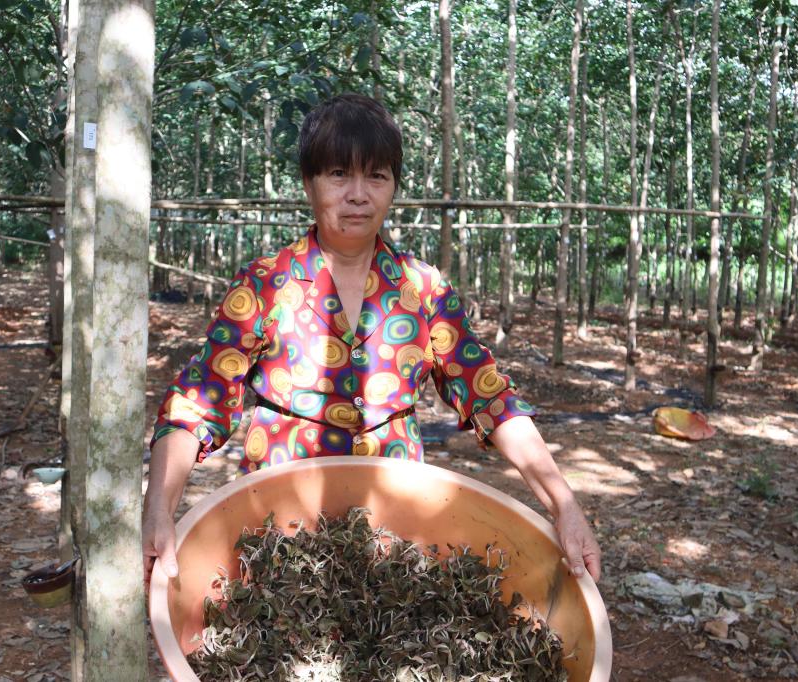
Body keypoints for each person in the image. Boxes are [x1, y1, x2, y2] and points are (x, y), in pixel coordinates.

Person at [142, 93, 601, 586]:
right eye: (339, 174)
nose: (358, 194)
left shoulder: (422, 289)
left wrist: (564, 505)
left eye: (376, 176)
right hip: (279, 531)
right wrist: (159, 509)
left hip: (393, 536)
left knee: (391, 622)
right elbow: (197, 403)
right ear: (309, 183)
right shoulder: (265, 284)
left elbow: (489, 396)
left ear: (393, 186)